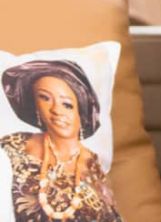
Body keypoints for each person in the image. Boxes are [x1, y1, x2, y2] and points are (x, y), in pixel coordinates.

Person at [1, 60, 121, 222]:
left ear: (81, 110)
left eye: (67, 105)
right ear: (35, 105)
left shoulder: (95, 168)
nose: (56, 110)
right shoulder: (13, 145)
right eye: (45, 98)